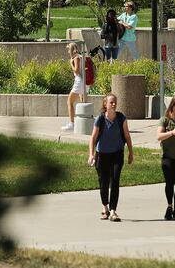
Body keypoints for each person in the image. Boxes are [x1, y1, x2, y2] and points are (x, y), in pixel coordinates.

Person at [88, 93, 134, 222]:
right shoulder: (100, 119)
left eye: (115, 102)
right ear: (105, 104)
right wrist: (91, 154)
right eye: (111, 102)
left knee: (115, 180)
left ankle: (113, 210)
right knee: (103, 181)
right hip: (102, 155)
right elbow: (93, 138)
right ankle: (105, 207)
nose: (113, 104)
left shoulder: (121, 118)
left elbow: (127, 136)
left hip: (117, 154)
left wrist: (131, 153)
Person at [62, 42, 85, 132]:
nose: (68, 51)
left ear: (71, 50)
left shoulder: (76, 58)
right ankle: (84, 121)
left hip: (79, 82)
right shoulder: (81, 56)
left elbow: (76, 71)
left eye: (68, 49)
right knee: (82, 101)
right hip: (84, 83)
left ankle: (72, 124)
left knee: (69, 102)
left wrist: (71, 63)